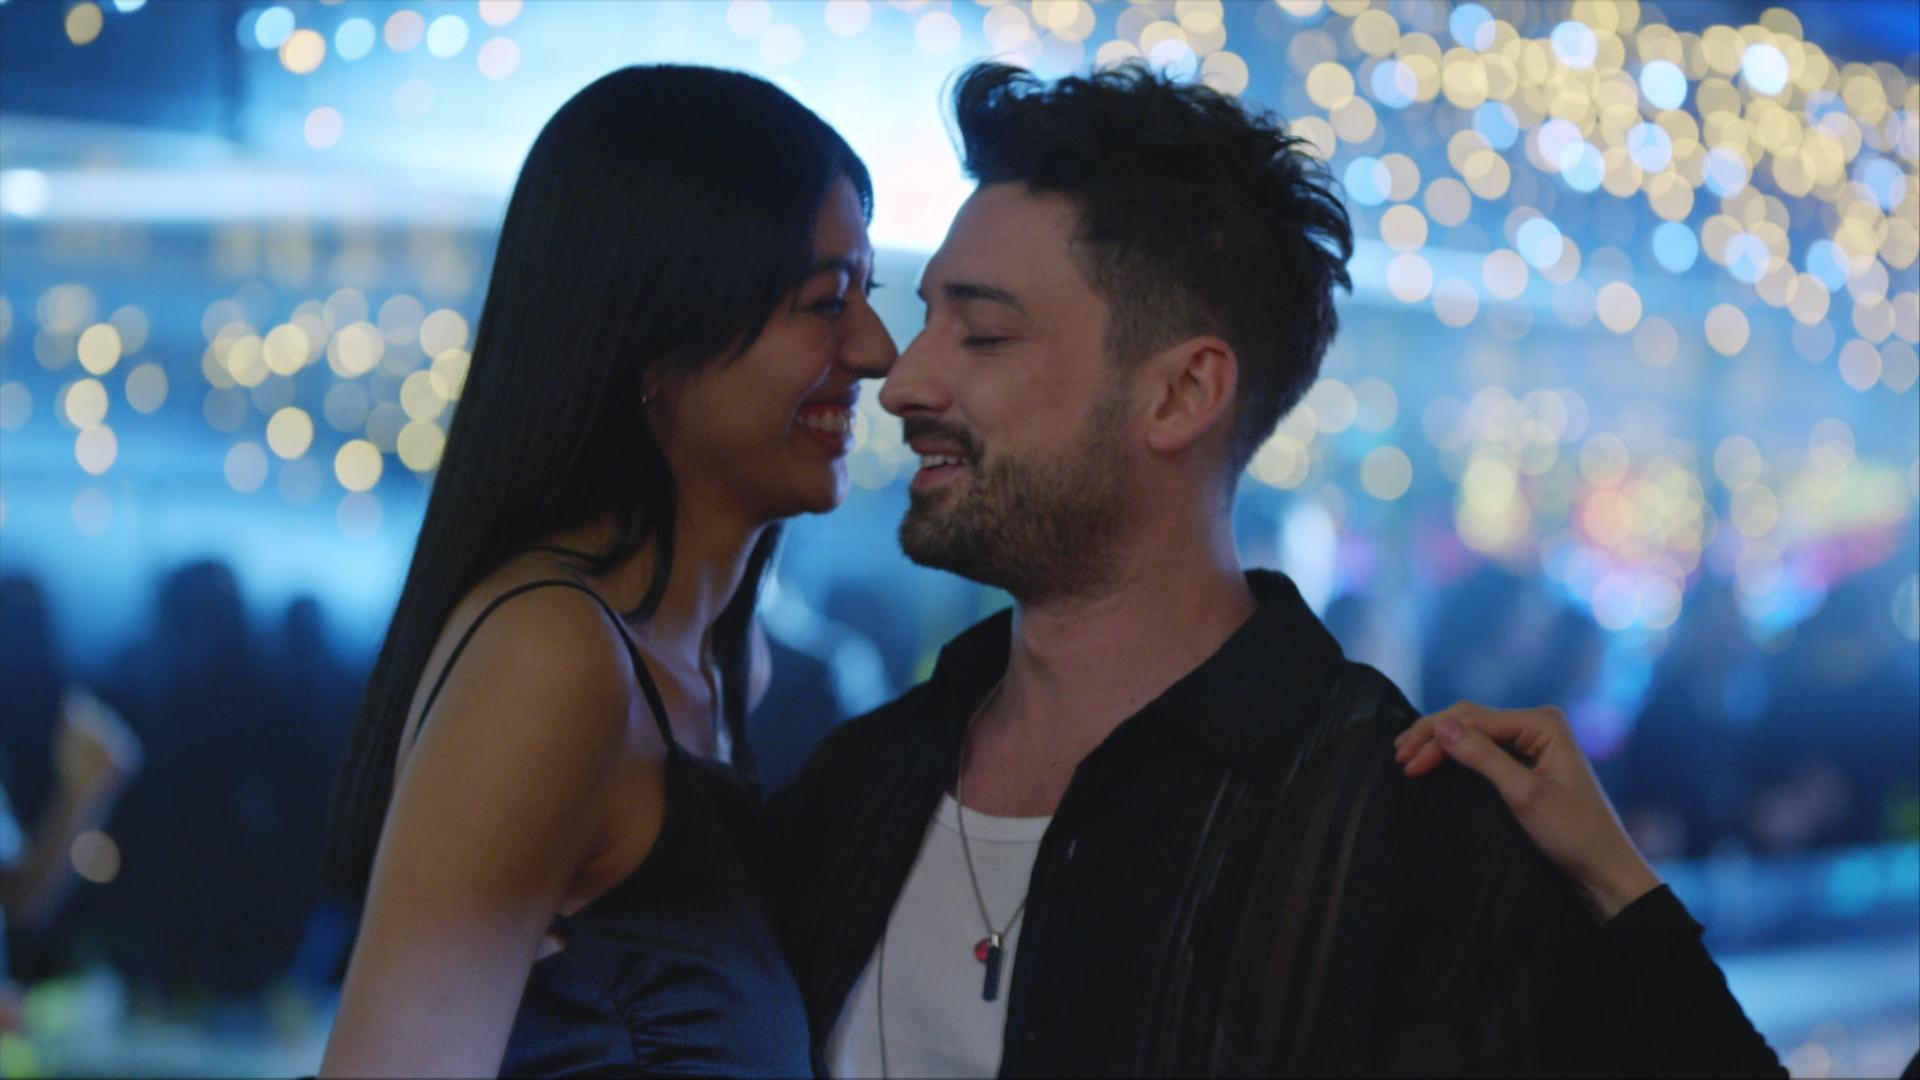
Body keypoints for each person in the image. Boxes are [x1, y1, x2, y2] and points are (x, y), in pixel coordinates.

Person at [764, 62, 1783, 1077]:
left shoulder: (1405, 840)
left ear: (1182, 395)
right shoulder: (858, 781)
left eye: (983, 334)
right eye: (928, 319)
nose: (904, 381)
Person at [318, 65, 893, 1076]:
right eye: (826, 302)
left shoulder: (725, 665)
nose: (879, 351)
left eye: (867, 299)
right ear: (655, 346)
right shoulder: (557, 657)